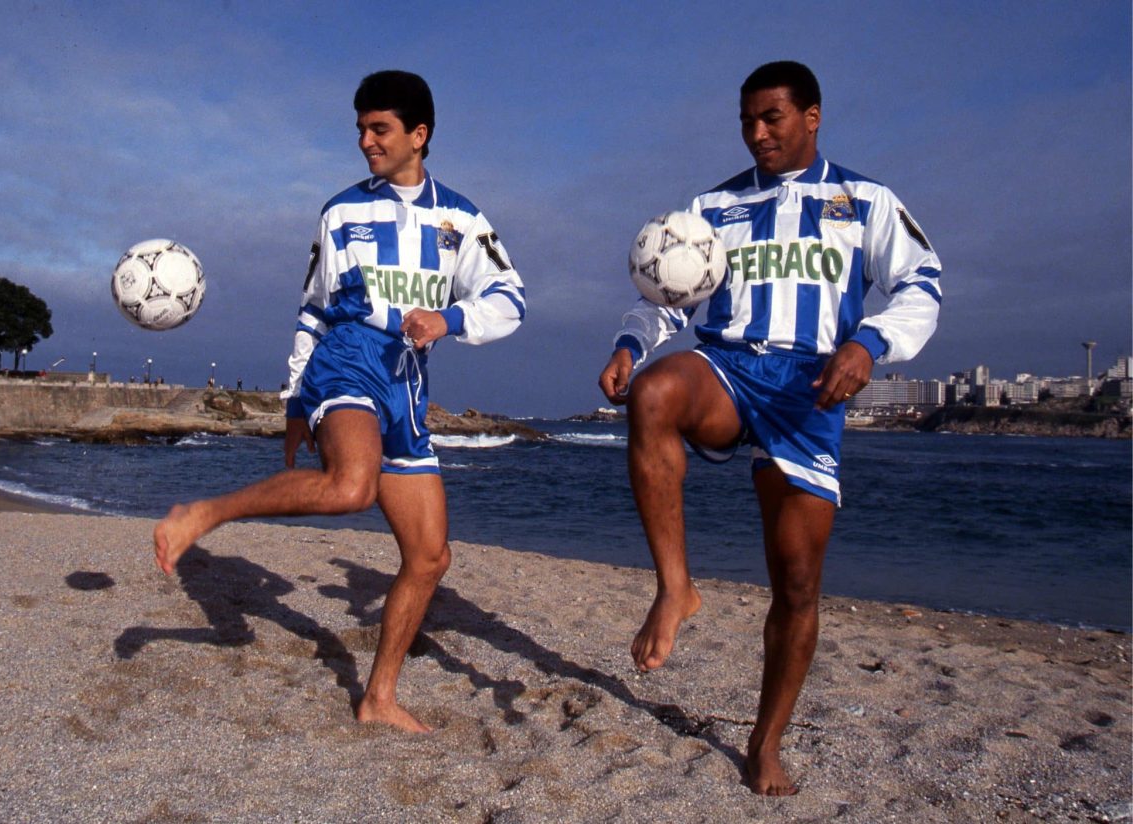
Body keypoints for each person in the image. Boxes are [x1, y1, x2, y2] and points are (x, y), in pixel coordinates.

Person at [598, 61, 941, 795]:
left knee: (797, 583)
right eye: (747, 121)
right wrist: (632, 343)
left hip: (810, 390)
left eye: (772, 118)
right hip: (729, 368)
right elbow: (666, 292)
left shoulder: (866, 202)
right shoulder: (712, 207)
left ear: (812, 117)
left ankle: (765, 742)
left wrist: (870, 343)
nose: (757, 133)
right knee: (654, 394)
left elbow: (922, 284)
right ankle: (675, 587)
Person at [153, 70, 525, 733]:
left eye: (379, 129)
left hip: (408, 384)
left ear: (419, 134)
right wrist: (297, 400)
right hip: (348, 360)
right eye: (360, 129)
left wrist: (449, 320)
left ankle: (378, 698)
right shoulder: (341, 212)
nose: (365, 141)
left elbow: (510, 298)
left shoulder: (463, 218)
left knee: (430, 557)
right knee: (352, 486)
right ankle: (204, 513)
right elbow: (314, 310)